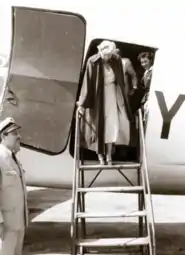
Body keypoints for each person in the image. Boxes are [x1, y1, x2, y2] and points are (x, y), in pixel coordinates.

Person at [77, 40, 137, 165]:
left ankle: (109, 155)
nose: (107, 57)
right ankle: (100, 157)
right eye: (105, 55)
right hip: (98, 98)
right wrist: (82, 104)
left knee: (112, 125)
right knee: (99, 127)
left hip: (112, 95)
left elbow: (120, 80)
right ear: (100, 52)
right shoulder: (92, 62)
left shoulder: (116, 60)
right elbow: (87, 84)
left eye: (109, 55)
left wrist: (123, 99)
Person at [0, 117, 28, 255]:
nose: (19, 136)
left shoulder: (13, 158)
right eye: (14, 133)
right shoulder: (0, 159)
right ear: (3, 136)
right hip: (6, 225)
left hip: (19, 222)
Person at [137, 51, 155, 127]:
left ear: (151, 60)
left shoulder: (154, 71)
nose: (143, 64)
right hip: (145, 97)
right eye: (142, 62)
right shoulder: (146, 72)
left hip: (151, 97)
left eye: (145, 62)